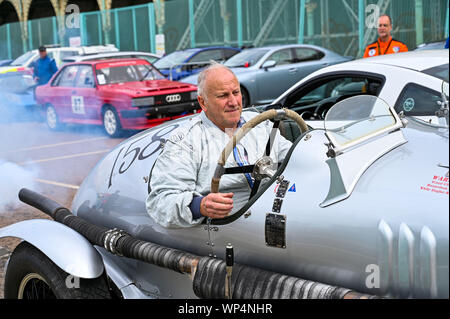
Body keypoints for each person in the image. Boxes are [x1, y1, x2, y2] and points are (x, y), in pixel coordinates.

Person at [146, 63, 293, 228]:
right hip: (230, 233)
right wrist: (199, 206)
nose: (233, 102)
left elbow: (295, 158)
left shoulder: (259, 124)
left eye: (236, 93)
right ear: (203, 102)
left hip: (279, 215)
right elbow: (160, 202)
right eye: (223, 96)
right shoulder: (186, 142)